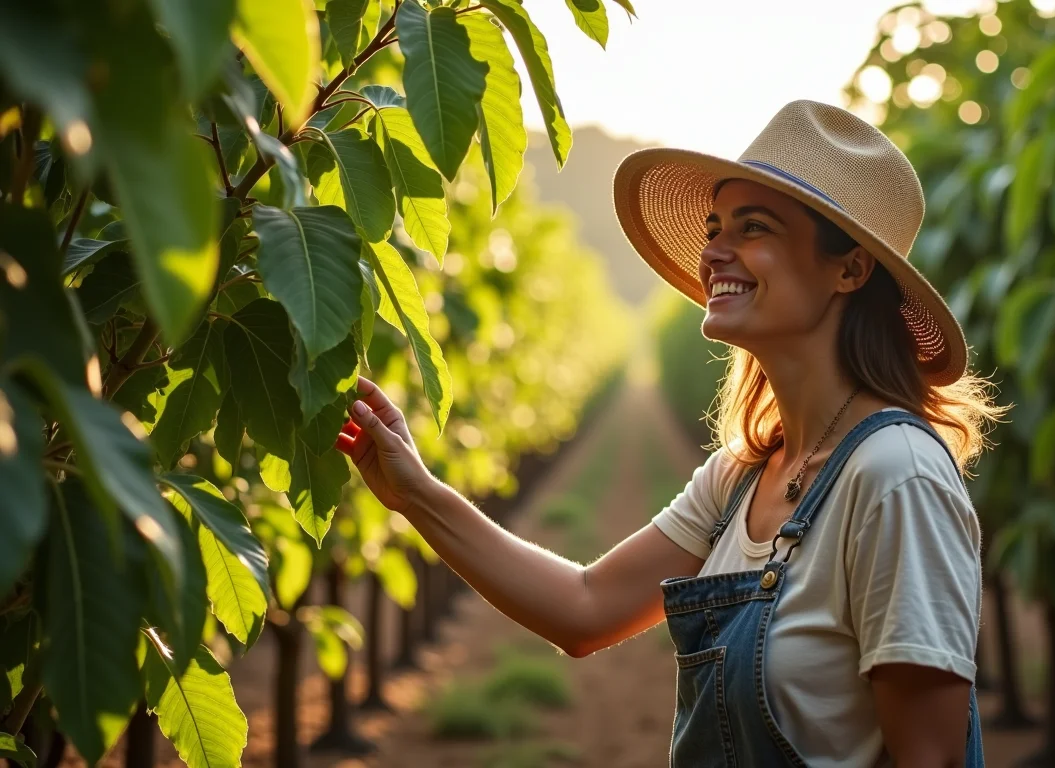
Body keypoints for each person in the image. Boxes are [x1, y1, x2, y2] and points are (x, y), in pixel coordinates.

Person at [336, 100, 999, 767]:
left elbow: (932, 758)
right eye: (715, 227)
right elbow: (586, 607)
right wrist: (414, 491)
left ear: (849, 270)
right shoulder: (741, 476)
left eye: (753, 227)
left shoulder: (895, 475)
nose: (715, 251)